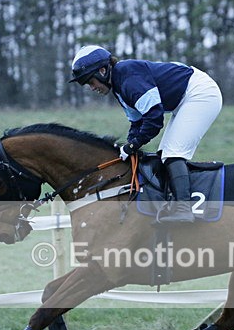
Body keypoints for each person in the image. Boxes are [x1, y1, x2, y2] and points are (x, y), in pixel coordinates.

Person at [69, 45, 223, 223]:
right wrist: (128, 144)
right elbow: (137, 122)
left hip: (200, 93)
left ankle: (184, 209)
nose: (91, 87)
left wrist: (133, 145)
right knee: (164, 155)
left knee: (173, 154)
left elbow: (154, 119)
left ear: (102, 71)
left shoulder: (128, 79)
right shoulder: (119, 86)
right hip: (184, 99)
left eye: (89, 81)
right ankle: (173, 202)